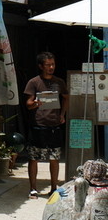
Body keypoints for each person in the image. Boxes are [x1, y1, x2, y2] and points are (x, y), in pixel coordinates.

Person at [24, 51, 69, 199]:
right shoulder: (34, 82)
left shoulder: (59, 82)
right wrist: (36, 103)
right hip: (38, 125)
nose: (51, 67)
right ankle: (33, 189)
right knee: (33, 157)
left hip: (54, 125)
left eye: (53, 64)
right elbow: (28, 104)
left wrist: (62, 114)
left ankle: (54, 188)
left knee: (54, 158)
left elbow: (66, 97)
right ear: (40, 66)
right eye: (48, 65)